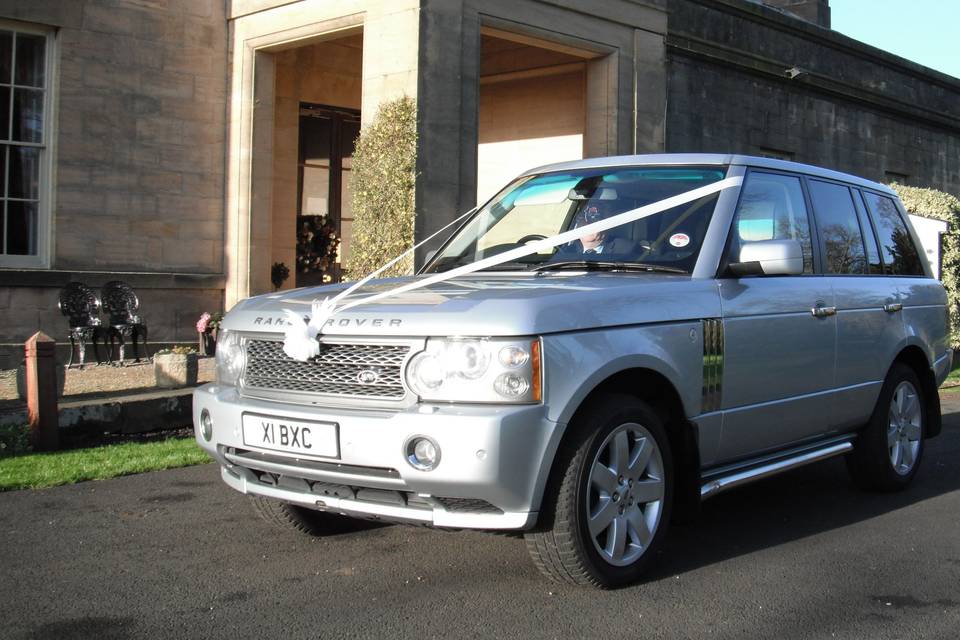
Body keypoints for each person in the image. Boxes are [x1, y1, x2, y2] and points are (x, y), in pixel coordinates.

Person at [554, 202, 638, 259]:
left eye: (594, 220)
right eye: (581, 220)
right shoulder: (567, 252)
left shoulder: (627, 250)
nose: (587, 225)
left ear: (608, 224)